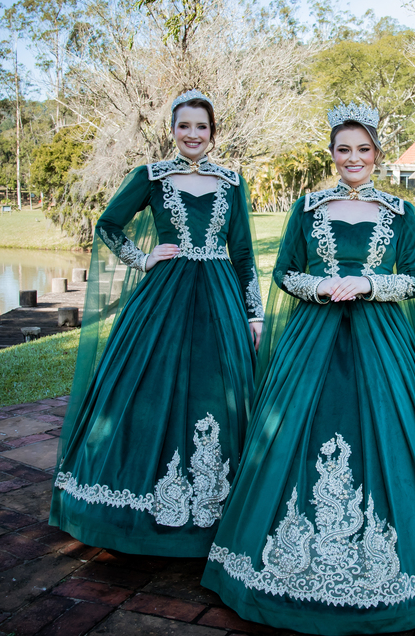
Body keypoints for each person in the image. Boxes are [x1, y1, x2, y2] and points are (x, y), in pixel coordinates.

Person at [202, 104, 415, 636]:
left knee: (391, 435)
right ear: (332, 154)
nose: (354, 159)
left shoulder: (400, 212)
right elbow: (284, 272)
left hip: (382, 341)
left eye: (363, 150)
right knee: (292, 433)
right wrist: (321, 286)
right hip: (313, 338)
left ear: (377, 154)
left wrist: (370, 285)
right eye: (344, 150)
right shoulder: (307, 208)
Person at [49, 90, 264, 557]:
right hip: (162, 299)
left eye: (202, 127)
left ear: (213, 133)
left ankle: (215, 509)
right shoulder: (150, 176)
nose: (193, 135)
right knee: (148, 389)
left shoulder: (231, 182)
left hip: (220, 301)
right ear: (172, 131)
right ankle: (133, 507)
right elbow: (107, 225)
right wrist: (143, 259)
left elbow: (244, 254)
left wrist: (254, 313)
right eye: (184, 126)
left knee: (214, 391)